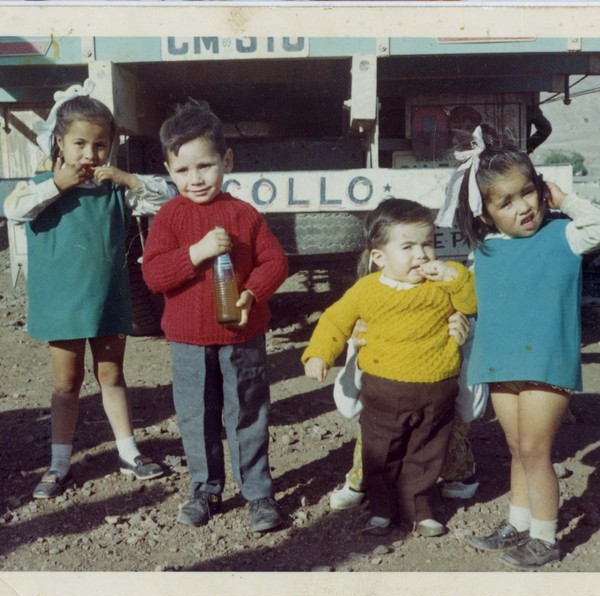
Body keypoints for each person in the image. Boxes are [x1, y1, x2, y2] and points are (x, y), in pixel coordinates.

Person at [436, 125, 600, 570]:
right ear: (485, 213)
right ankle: (518, 522)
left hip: (547, 362)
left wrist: (566, 200)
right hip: (500, 360)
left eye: (527, 193)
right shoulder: (485, 248)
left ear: (540, 190)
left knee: (536, 448)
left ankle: (545, 537)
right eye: (505, 202)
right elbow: (470, 298)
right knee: (517, 447)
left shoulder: (565, 235)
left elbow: (598, 224)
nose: (523, 207)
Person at [3, 79, 173, 499]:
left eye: (99, 146)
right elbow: (14, 209)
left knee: (112, 374)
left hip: (108, 300)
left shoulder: (115, 189)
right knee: (67, 382)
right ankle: (60, 462)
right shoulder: (42, 186)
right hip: (61, 303)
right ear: (59, 142)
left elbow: (169, 199)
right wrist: (59, 182)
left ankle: (129, 451)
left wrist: (127, 177)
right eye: (79, 144)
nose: (89, 155)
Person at [141, 100, 289, 534]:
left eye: (205, 166)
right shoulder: (168, 217)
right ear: (169, 170)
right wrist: (196, 253)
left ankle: (258, 493)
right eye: (183, 170)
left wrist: (252, 293)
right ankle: (205, 488)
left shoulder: (243, 214)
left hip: (241, 336)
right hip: (188, 340)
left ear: (227, 161)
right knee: (195, 415)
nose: (195, 178)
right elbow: (153, 275)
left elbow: (275, 262)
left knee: (246, 411)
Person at [303, 198, 477, 537]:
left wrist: (453, 275)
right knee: (380, 450)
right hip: (384, 388)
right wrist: (319, 353)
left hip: (436, 389)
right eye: (408, 246)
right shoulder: (368, 289)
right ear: (379, 257)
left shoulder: (444, 285)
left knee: (426, 451)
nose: (421, 254)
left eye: (428, 244)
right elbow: (335, 319)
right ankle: (382, 509)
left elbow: (471, 301)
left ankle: (419, 509)